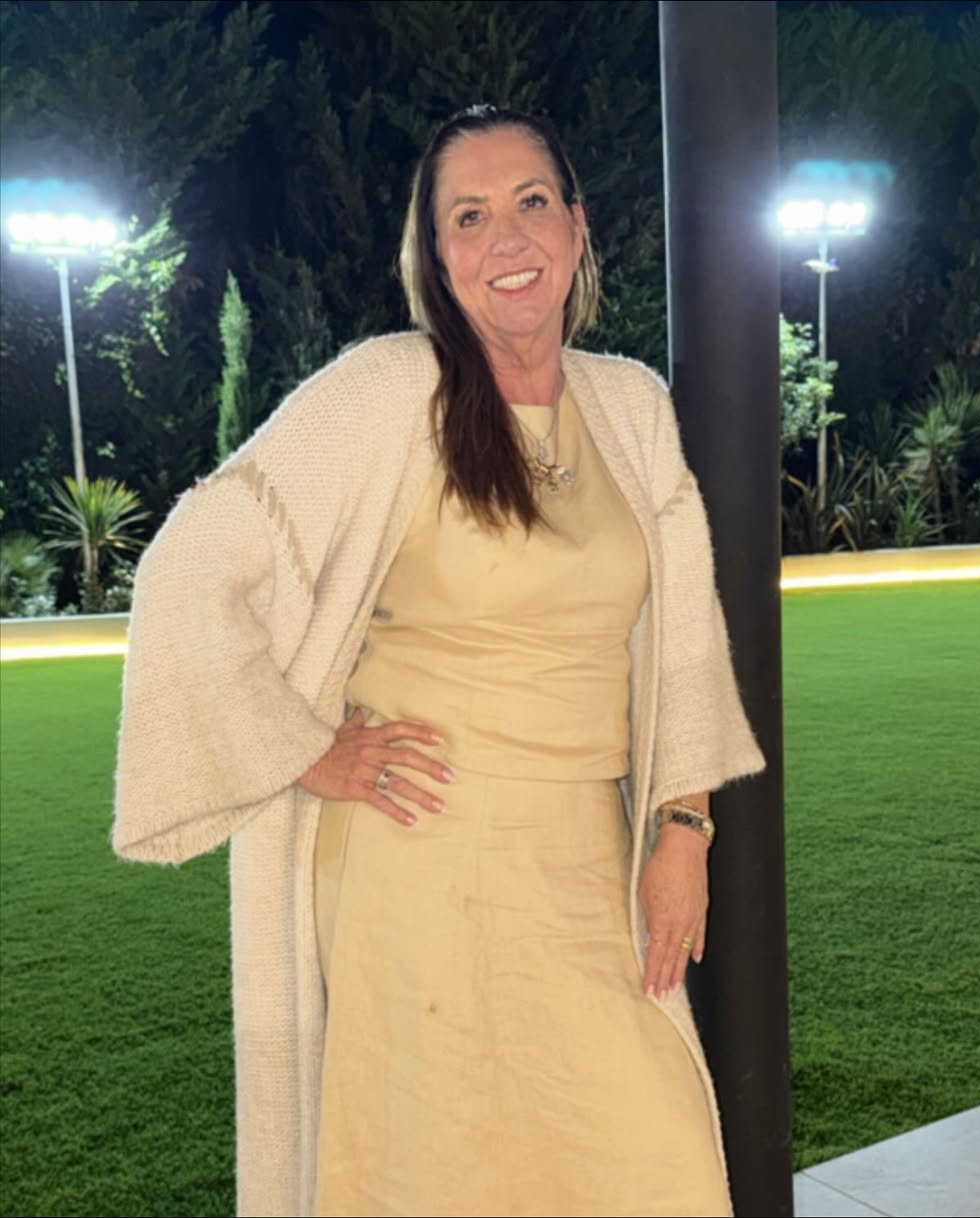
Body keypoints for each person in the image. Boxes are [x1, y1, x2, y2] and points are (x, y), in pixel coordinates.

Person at [113, 104, 764, 1218]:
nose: (507, 238)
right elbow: (191, 563)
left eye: (531, 202)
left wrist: (684, 827)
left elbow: (686, 635)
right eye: (469, 216)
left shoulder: (630, 404)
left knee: (652, 1160)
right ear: (435, 255)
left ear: (577, 226)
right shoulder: (388, 389)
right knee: (434, 1169)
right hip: (413, 858)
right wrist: (306, 750)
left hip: (583, 852)